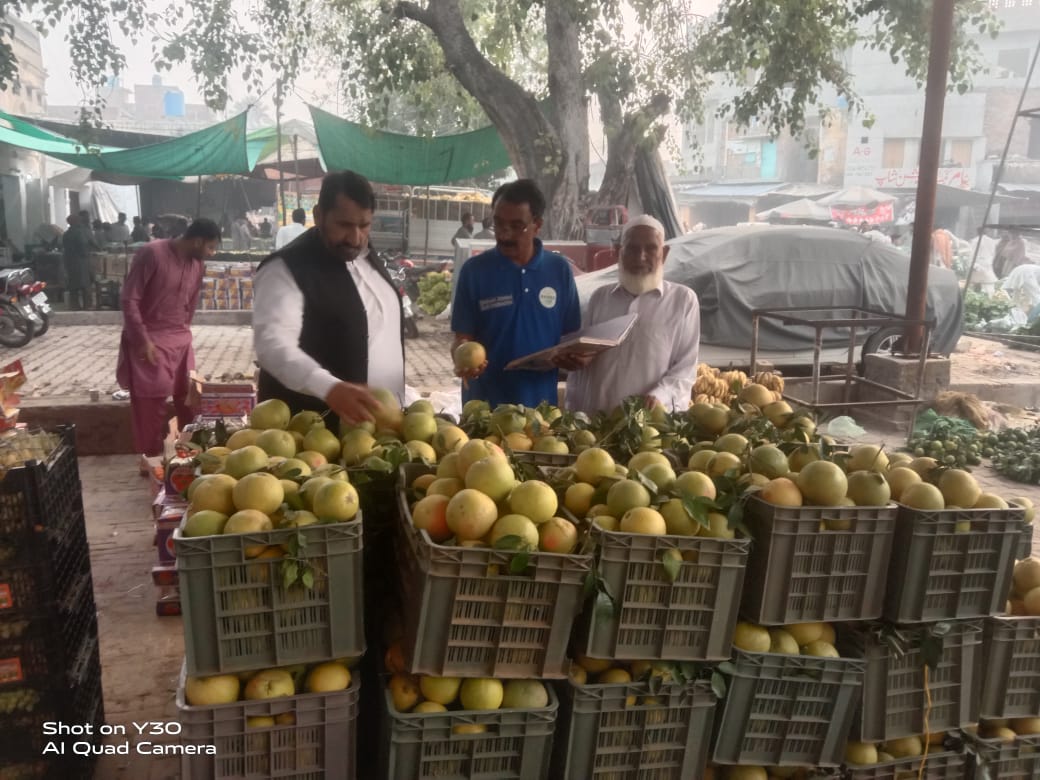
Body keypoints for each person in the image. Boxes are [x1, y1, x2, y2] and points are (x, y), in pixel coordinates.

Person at [254, 170, 404, 431]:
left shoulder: (367, 256)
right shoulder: (285, 269)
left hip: (378, 432)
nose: (355, 238)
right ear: (318, 216)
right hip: (312, 440)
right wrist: (329, 388)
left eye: (364, 225)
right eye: (344, 225)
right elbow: (272, 346)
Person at [451, 178, 580, 408]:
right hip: (484, 410)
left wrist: (574, 359)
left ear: (537, 225)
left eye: (516, 226)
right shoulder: (475, 271)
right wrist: (462, 358)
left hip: (540, 413)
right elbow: (462, 338)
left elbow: (570, 338)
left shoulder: (559, 270)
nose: (504, 234)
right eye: (498, 223)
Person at [563, 215, 700, 414]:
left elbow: (685, 370)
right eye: (632, 249)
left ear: (665, 253)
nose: (641, 257)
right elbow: (582, 370)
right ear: (619, 252)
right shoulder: (600, 298)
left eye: (651, 248)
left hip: (652, 428)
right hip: (598, 427)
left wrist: (659, 396)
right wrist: (573, 410)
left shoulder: (683, 301)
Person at [116, 218, 221, 456]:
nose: (212, 253)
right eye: (211, 247)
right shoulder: (151, 253)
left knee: (190, 398)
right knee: (150, 406)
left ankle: (192, 453)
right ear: (196, 241)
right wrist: (141, 340)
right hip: (150, 340)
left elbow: (191, 301)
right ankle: (150, 459)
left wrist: (185, 332)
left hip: (181, 339)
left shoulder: (197, 263)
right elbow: (129, 299)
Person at [62, 212, 97, 310]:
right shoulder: (80, 232)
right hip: (81, 261)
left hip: (70, 262)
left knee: (73, 286)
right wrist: (88, 254)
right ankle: (88, 305)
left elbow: (65, 248)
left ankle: (75, 306)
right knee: (85, 285)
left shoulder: (66, 234)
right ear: (75, 221)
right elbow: (83, 244)